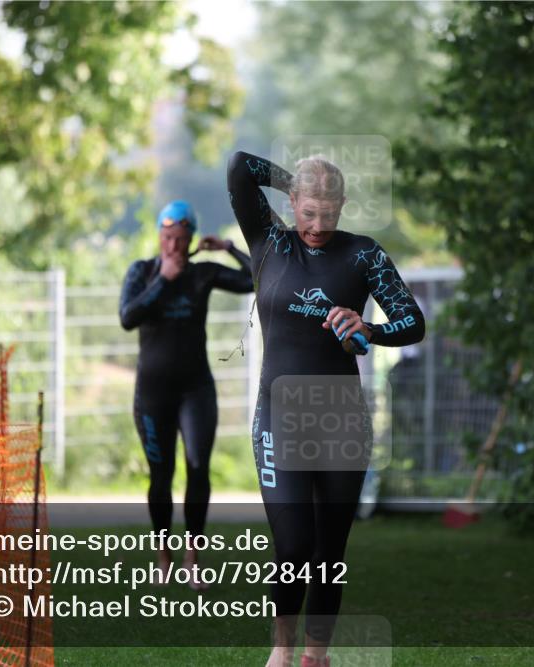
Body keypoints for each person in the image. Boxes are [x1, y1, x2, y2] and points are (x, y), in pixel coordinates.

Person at [227, 151, 425, 667]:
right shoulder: (270, 242)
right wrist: (303, 178)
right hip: (280, 416)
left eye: (328, 214)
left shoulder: (363, 255)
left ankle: (317, 657)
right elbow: (239, 167)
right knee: (292, 546)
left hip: (342, 420)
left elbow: (413, 321)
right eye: (307, 211)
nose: (316, 226)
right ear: (291, 203)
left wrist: (370, 329)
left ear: (342, 208)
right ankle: (281, 651)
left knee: (328, 553)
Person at [119, 199, 253, 590]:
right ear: (159, 237)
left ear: (192, 239)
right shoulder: (142, 272)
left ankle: (193, 557)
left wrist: (228, 248)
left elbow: (255, 280)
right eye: (167, 238)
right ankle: (164, 557)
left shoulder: (203, 275)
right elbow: (128, 317)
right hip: (153, 395)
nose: (174, 247)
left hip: (195, 390)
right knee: (161, 476)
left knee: (197, 467)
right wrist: (164, 278)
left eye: (181, 239)